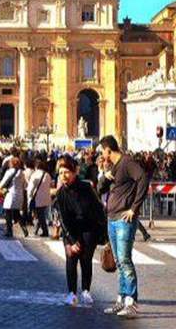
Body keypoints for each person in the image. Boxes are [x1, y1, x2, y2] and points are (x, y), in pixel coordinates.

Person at [97, 135, 148, 318]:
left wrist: (134, 208)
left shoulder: (127, 163)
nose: (102, 154)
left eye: (103, 151)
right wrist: (105, 176)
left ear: (109, 149)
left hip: (124, 220)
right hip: (112, 218)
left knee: (125, 260)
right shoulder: (113, 167)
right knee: (119, 262)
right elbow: (100, 189)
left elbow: (143, 179)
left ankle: (131, 302)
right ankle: (121, 299)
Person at [54, 155, 107, 307]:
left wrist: (104, 233)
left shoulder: (86, 188)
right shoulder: (60, 193)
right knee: (71, 260)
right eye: (60, 173)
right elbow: (63, 220)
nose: (63, 176)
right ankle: (71, 293)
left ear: (74, 172)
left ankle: (85, 291)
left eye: (66, 172)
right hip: (70, 230)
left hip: (88, 229)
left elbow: (98, 210)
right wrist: (71, 240)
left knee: (86, 260)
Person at [0, 156, 28, 238]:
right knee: (16, 213)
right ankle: (24, 227)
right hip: (19, 194)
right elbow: (25, 185)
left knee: (8, 213)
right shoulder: (22, 173)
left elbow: (4, 182)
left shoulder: (9, 172)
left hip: (10, 194)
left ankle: (9, 230)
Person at [27, 159, 52, 237]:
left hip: (37, 198)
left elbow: (31, 188)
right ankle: (36, 230)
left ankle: (45, 231)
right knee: (40, 214)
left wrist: (29, 196)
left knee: (40, 215)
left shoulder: (35, 175)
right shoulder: (47, 174)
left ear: (36, 166)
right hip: (46, 197)